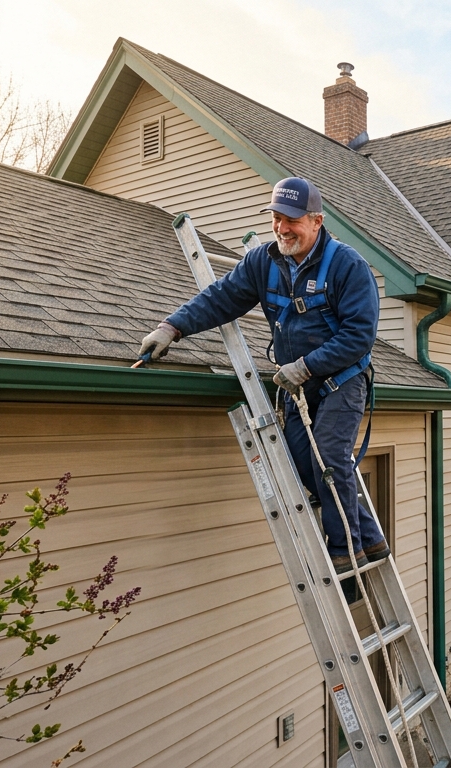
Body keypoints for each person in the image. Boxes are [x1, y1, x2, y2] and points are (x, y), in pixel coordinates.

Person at [139, 177, 389, 576]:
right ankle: (371, 537)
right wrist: (171, 328)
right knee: (302, 464)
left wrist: (307, 366)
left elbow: (359, 336)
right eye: (276, 218)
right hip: (296, 385)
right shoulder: (264, 262)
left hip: (343, 379)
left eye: (291, 220)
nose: (282, 228)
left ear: (317, 221)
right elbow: (220, 298)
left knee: (328, 456)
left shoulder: (347, 266)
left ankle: (346, 554)